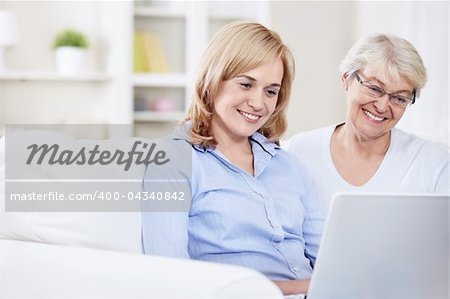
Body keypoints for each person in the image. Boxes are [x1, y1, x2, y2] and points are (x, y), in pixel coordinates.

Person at [141, 21, 323, 295]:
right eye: (246, 84)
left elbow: (328, 259)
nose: (259, 103)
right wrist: (297, 287)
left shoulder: (289, 166)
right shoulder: (173, 162)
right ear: (212, 80)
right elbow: (170, 277)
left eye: (270, 91)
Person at [286, 33, 449, 216]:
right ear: (346, 79)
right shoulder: (297, 152)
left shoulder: (434, 163)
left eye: (399, 98)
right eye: (374, 88)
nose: (382, 106)